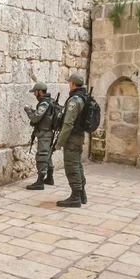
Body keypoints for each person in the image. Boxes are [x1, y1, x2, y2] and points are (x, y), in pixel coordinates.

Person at [53, 73, 88, 207]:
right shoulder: (84, 97)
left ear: (72, 84)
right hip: (79, 136)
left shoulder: (75, 100)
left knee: (71, 165)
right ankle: (81, 194)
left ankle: (75, 197)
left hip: (72, 138)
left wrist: (59, 143)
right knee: (77, 164)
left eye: (69, 83)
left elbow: (68, 123)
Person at [24, 82, 55, 190]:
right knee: (47, 155)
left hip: (44, 133)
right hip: (48, 132)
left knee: (42, 156)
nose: (34, 94)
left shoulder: (44, 103)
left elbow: (35, 118)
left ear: (40, 92)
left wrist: (28, 110)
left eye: (35, 92)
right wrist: (33, 111)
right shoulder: (50, 101)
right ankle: (50, 178)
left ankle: (40, 182)